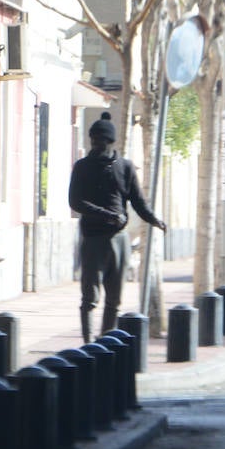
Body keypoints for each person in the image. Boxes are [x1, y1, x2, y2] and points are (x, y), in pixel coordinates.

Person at [69, 111, 166, 343]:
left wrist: (154, 220)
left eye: (100, 141)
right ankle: (87, 342)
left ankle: (105, 340)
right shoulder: (82, 167)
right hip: (93, 238)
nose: (96, 145)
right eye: (93, 141)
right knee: (90, 297)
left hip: (119, 239)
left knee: (114, 297)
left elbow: (138, 202)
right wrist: (107, 215)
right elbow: (75, 202)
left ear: (110, 142)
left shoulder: (125, 167)